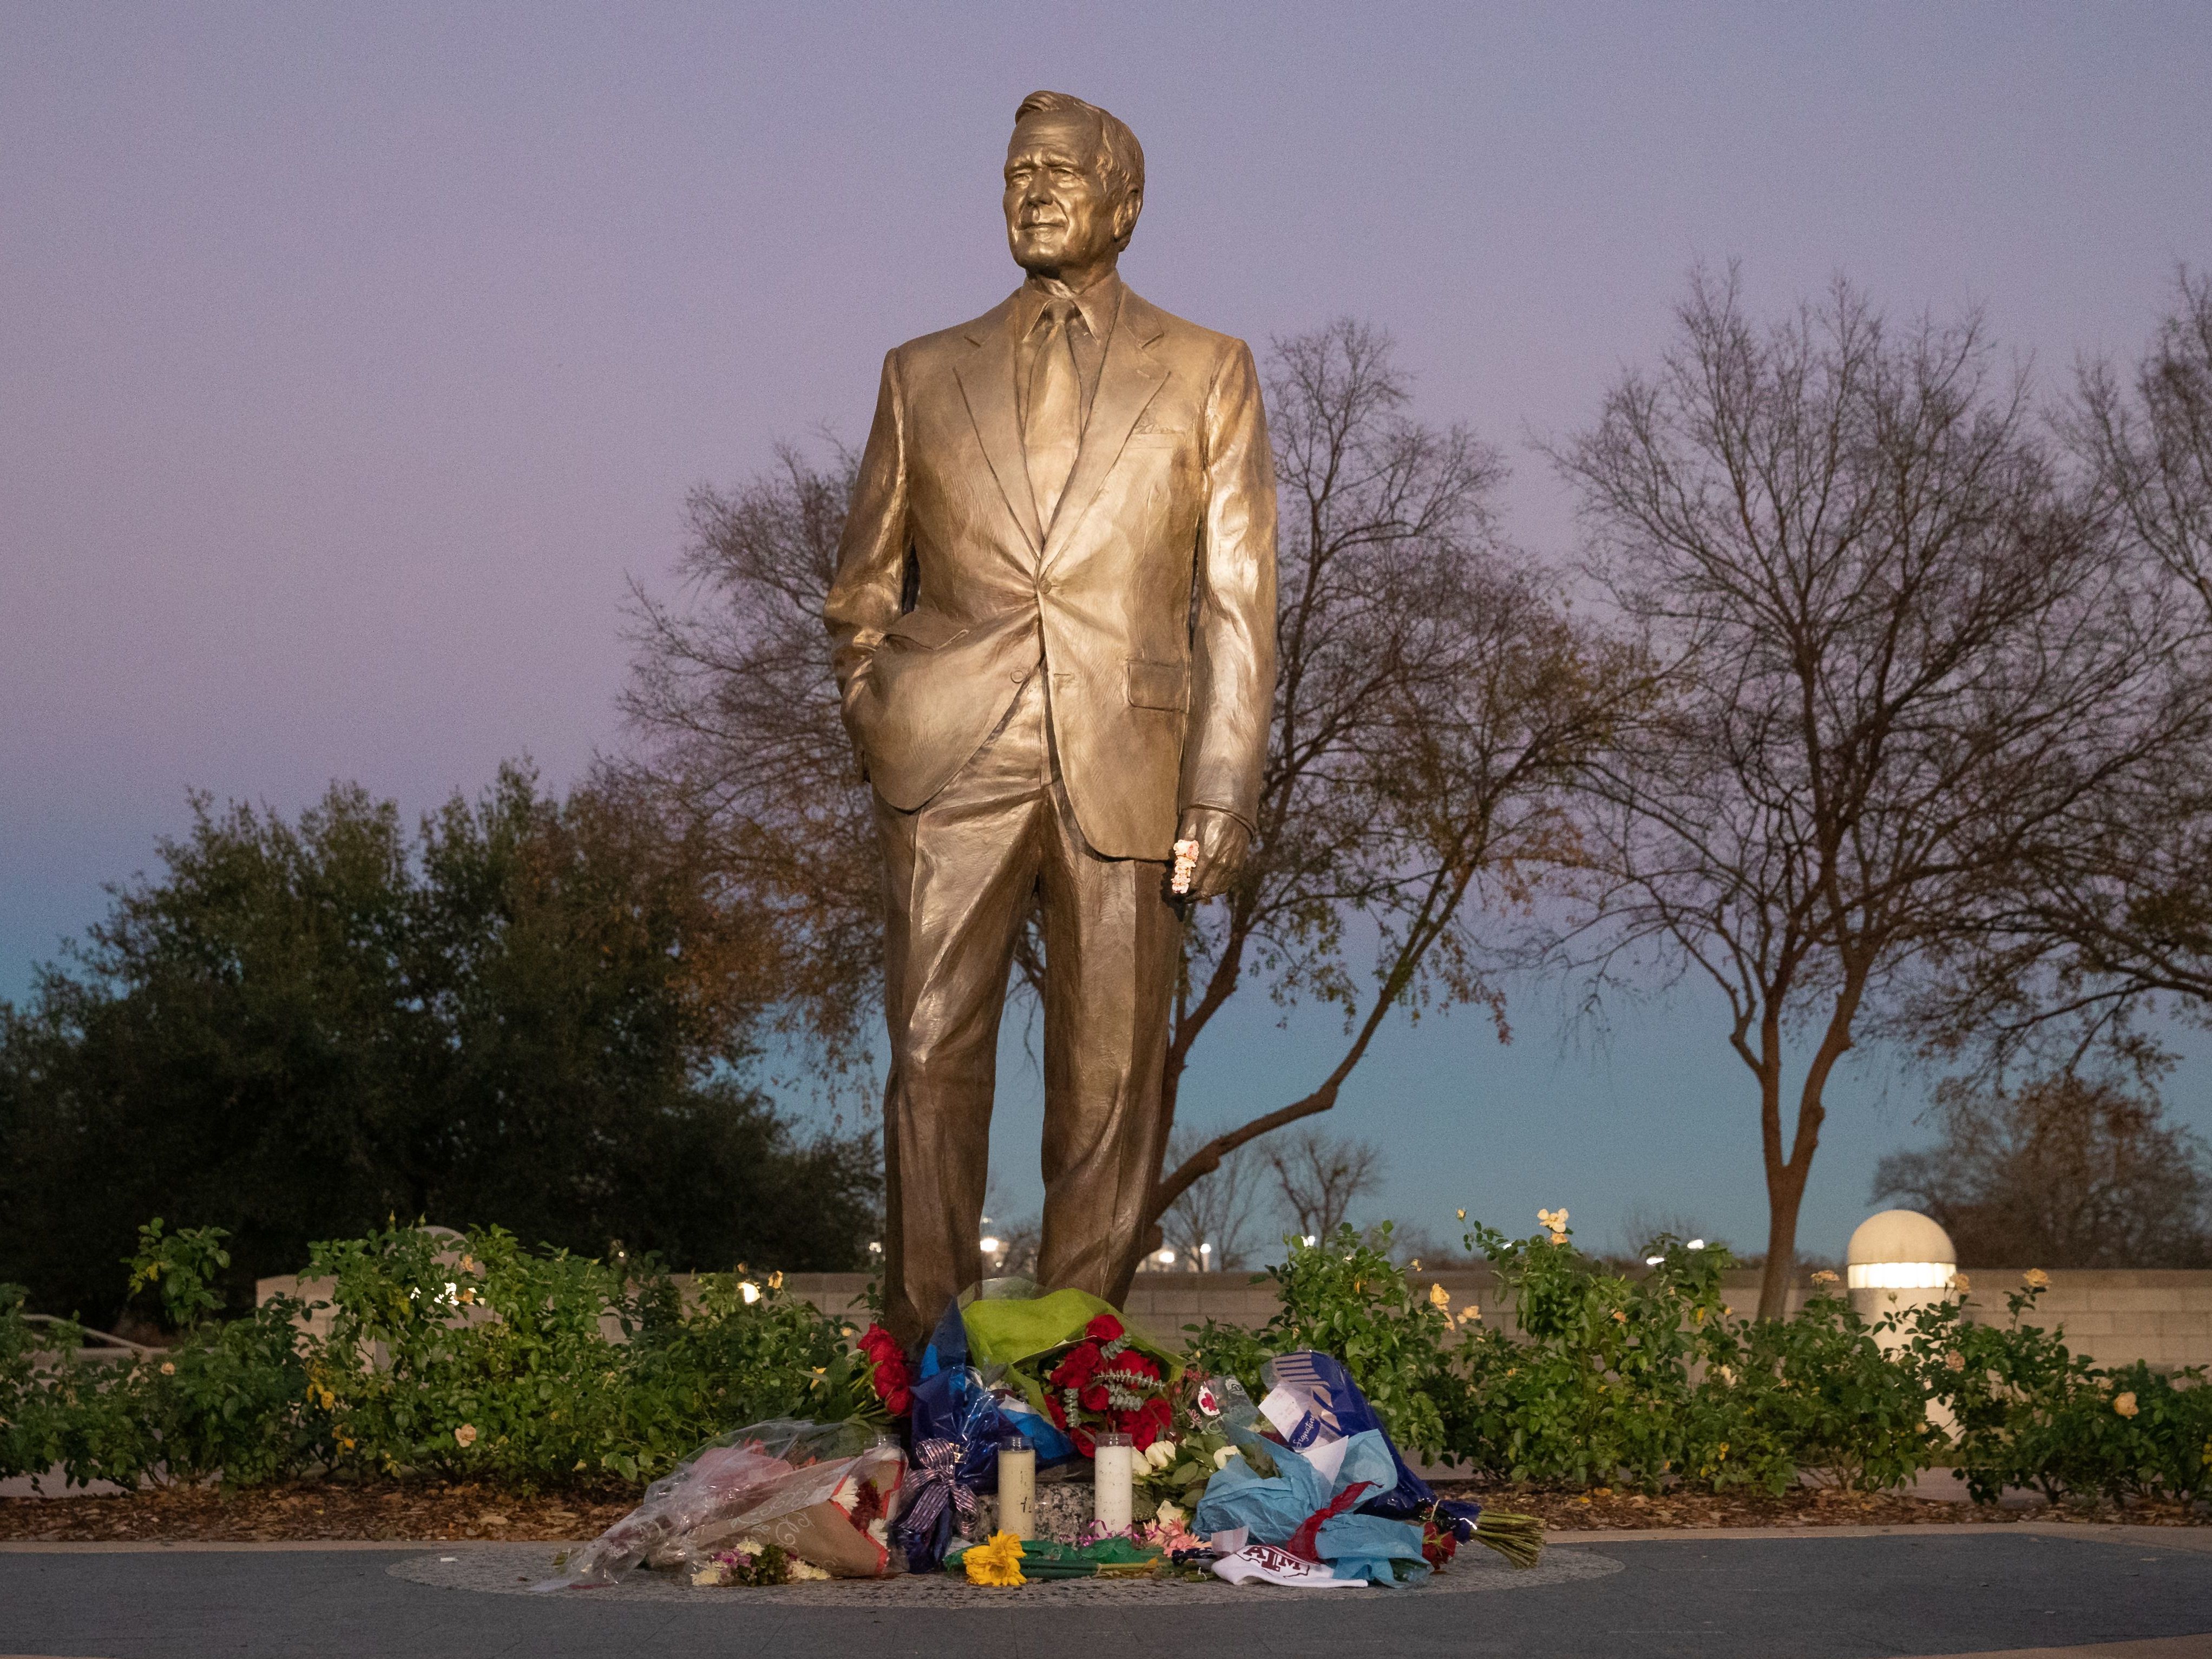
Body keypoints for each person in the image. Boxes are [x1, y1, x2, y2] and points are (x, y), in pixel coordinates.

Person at [825, 90, 1277, 1345]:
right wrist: (878, 706)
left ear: (1123, 204)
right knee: (926, 1061)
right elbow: (858, 587)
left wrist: (1223, 789)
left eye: (1061, 174)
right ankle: (926, 1380)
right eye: (1017, 171)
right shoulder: (920, 372)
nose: (1032, 192)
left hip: (1127, 759)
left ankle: (1073, 1372)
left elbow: (1238, 601)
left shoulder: (1206, 370)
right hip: (947, 754)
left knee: (1111, 1085)